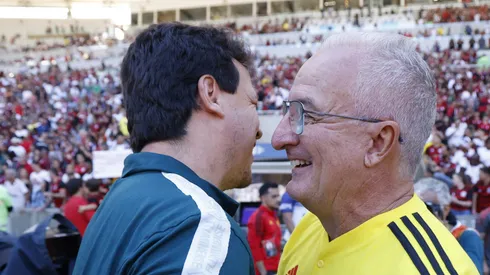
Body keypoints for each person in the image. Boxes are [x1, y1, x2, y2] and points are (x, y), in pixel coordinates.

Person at [272, 32, 478, 274]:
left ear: (378, 143)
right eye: (289, 111)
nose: (278, 137)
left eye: (306, 115)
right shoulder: (309, 228)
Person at [74, 22, 262, 275]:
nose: (259, 130)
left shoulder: (117, 203)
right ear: (210, 94)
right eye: (252, 102)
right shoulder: (200, 224)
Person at [415, 177, 484, 274]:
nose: (421, 214)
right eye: (416, 209)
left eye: (427, 207)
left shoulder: (467, 237)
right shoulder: (418, 235)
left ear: (446, 209)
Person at [247, 183, 282, 275]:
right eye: (274, 196)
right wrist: (263, 271)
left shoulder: (273, 215)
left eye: (278, 196)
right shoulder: (258, 217)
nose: (278, 199)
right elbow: (254, 246)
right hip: (266, 270)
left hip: (276, 266)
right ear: (263, 198)